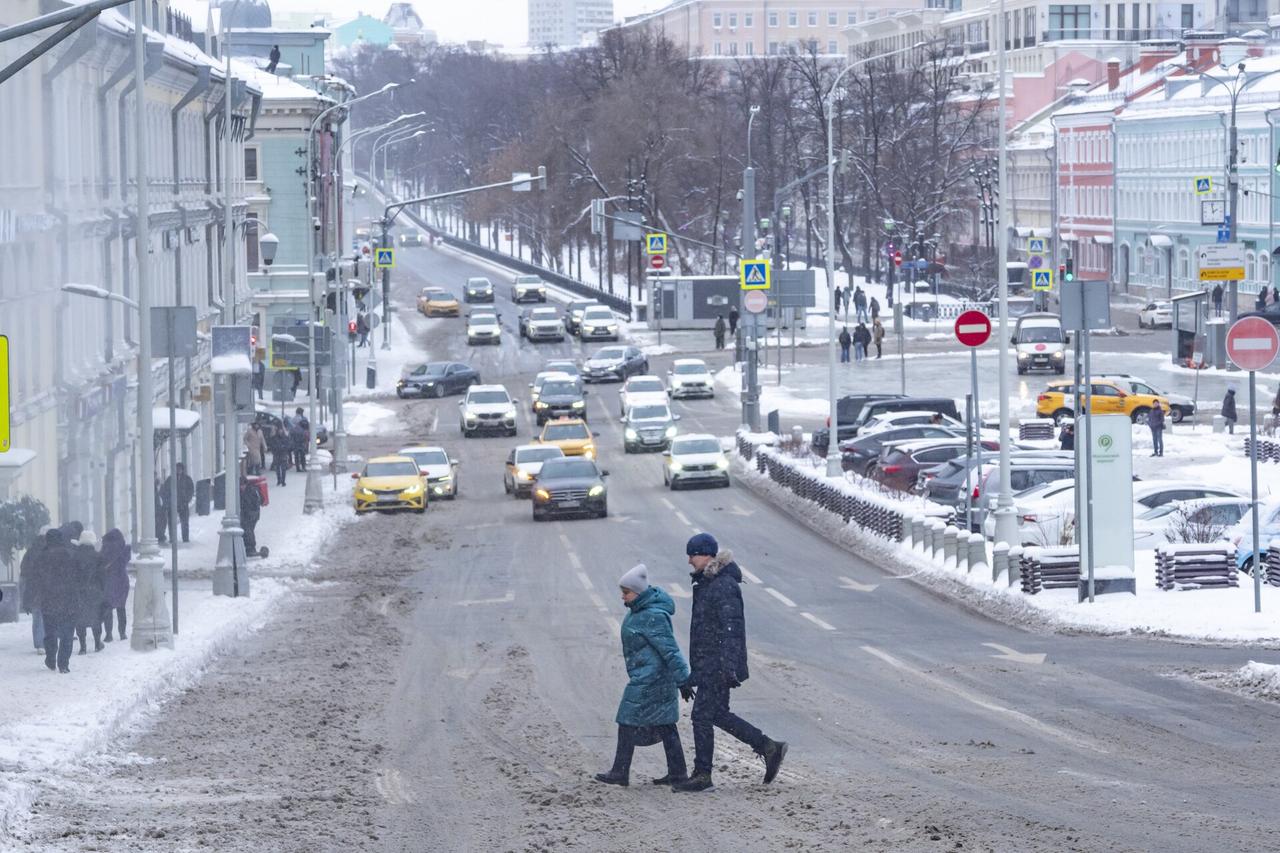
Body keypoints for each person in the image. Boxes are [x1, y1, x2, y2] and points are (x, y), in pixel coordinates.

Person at [673, 533, 787, 793]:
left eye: (693, 554)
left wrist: (727, 667)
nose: (689, 560)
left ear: (707, 555)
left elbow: (731, 629)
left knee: (701, 716)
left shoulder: (722, 585)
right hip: (712, 663)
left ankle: (703, 775)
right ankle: (769, 747)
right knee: (717, 714)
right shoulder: (708, 583)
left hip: (719, 664)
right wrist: (698, 671)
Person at [594, 564, 691, 788]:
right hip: (650, 677)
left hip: (651, 680)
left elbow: (670, 650)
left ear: (638, 592)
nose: (622, 596)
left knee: (627, 719)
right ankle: (677, 773)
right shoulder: (640, 610)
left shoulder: (652, 616)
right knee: (665, 723)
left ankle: (620, 772)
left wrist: (684, 679)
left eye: (626, 592)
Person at [36, 528, 77, 673]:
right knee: (67, 634)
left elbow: (35, 579)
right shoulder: (70, 555)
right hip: (68, 600)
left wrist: (31, 598)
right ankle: (63, 663)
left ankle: (51, 659)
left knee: (50, 633)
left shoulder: (41, 557)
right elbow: (76, 579)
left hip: (48, 601)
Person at [72, 530, 105, 654]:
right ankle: (97, 643)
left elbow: (71, 575)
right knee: (96, 618)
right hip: (94, 592)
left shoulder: (74, 556)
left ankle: (83, 647)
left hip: (79, 592)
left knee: (80, 620)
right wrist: (102, 589)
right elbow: (102, 576)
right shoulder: (98, 556)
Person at [18, 526, 50, 654]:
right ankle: (45, 641)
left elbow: (23, 569)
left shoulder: (31, 550)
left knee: (37, 615)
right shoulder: (50, 549)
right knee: (46, 614)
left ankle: (39, 643)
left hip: (33, 586)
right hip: (46, 586)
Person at [100, 528, 130, 642]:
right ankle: (122, 633)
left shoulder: (105, 549)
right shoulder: (124, 549)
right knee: (121, 608)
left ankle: (108, 635)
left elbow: (100, 563)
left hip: (108, 581)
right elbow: (125, 561)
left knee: (108, 607)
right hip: (122, 581)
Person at [163, 462, 195, 544]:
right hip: (172, 504)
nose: (178, 470)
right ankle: (172, 538)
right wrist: (168, 501)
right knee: (171, 522)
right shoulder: (170, 479)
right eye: (177, 468)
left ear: (182, 469)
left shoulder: (187, 479)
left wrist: (187, 499)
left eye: (180, 468)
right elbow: (165, 490)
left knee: (185, 522)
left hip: (183, 504)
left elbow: (191, 490)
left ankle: (185, 538)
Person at [240, 475, 262, 557]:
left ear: (246, 484)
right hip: (246, 514)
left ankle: (251, 548)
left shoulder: (252, 491)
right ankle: (247, 548)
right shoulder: (242, 492)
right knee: (247, 530)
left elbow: (256, 503)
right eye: (240, 485)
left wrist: (251, 514)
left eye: (242, 485)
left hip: (252, 514)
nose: (241, 487)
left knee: (248, 530)